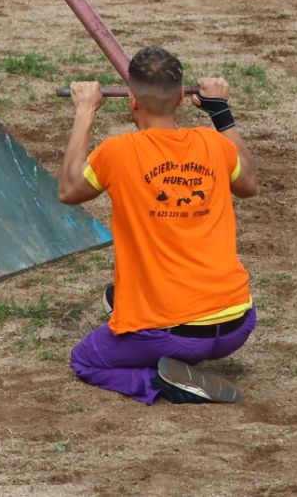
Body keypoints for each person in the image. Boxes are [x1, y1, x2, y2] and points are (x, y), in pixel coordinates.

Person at [58, 48, 259, 407]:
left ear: (131, 100)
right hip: (236, 324)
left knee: (86, 359)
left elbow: (69, 189)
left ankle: (162, 380)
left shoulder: (117, 152)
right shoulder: (215, 144)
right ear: (182, 97)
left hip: (173, 335)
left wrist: (84, 111)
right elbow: (249, 183)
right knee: (117, 295)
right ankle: (159, 339)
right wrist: (220, 111)